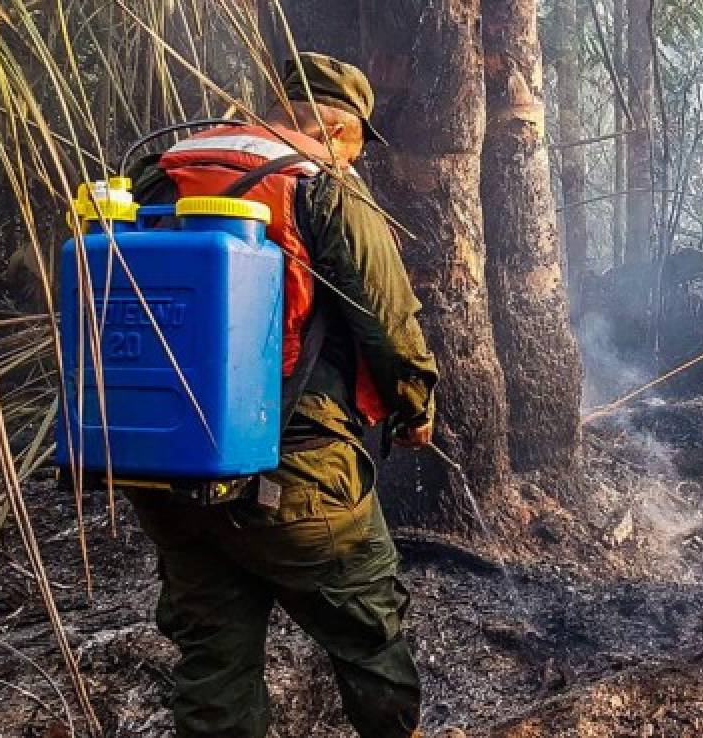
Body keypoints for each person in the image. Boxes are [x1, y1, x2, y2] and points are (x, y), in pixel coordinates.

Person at [124, 52, 439, 738]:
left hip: (161, 463)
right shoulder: (322, 186)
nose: (359, 156)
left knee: (213, 657)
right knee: (368, 630)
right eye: (359, 142)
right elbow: (389, 323)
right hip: (291, 467)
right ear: (339, 127)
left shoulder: (161, 168)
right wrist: (416, 411)